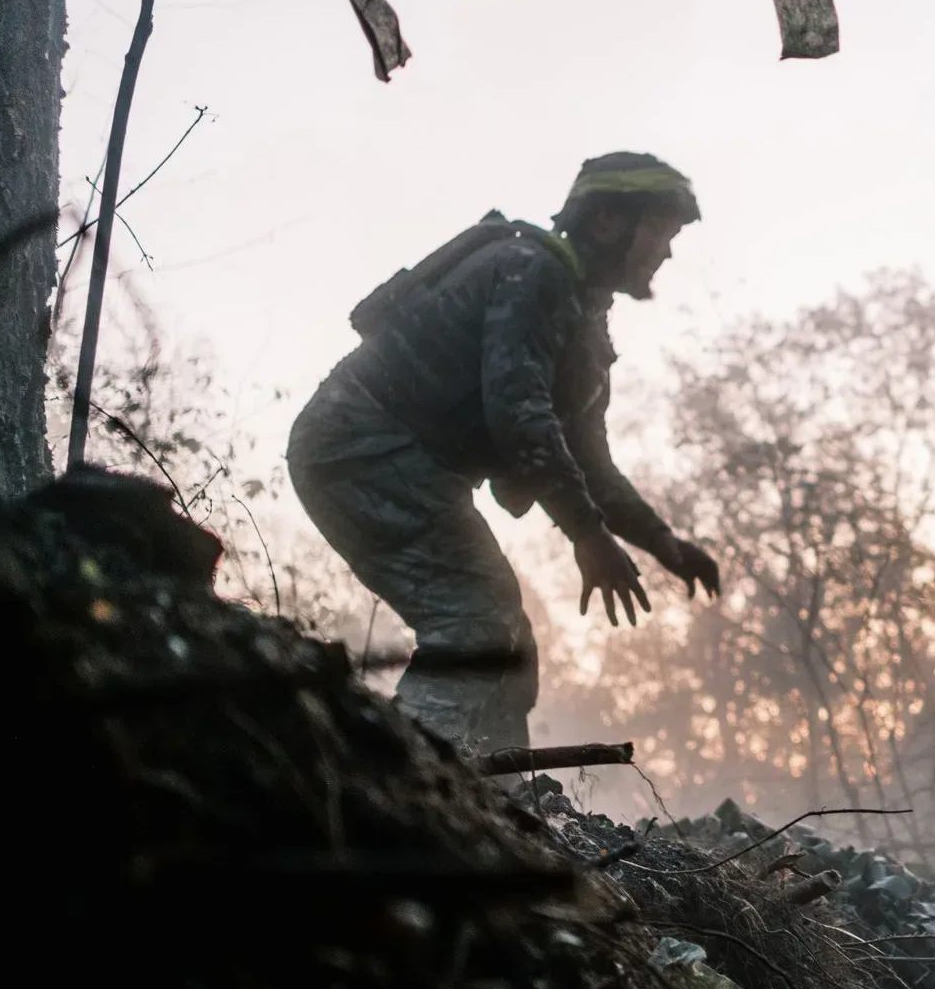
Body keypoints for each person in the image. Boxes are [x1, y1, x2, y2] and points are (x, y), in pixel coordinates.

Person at [286, 152, 722, 760]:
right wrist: (588, 536)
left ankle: (493, 801)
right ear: (606, 223)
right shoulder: (531, 272)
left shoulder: (581, 326)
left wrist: (663, 543)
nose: (667, 252)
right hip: (361, 445)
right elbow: (518, 414)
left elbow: (588, 463)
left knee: (509, 649)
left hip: (396, 461)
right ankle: (394, 780)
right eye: (661, 231)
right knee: (477, 626)